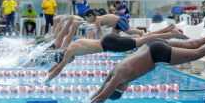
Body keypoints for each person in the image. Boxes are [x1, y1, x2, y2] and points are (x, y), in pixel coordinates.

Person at [89, 37, 205, 103]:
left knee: (196, 54)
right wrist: (90, 98)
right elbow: (102, 88)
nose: (126, 88)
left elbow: (102, 95)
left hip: (157, 54)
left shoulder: (120, 78)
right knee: (191, 44)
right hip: (150, 45)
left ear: (120, 88)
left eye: (123, 90)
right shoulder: (115, 70)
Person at [45, 25, 190, 82]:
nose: (70, 61)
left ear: (64, 56)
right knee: (141, 39)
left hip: (109, 45)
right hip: (107, 40)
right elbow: (59, 65)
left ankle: (172, 33)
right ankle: (169, 30)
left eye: (67, 60)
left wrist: (47, 79)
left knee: (142, 40)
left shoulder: (69, 52)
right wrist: (50, 70)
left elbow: (59, 67)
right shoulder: (71, 45)